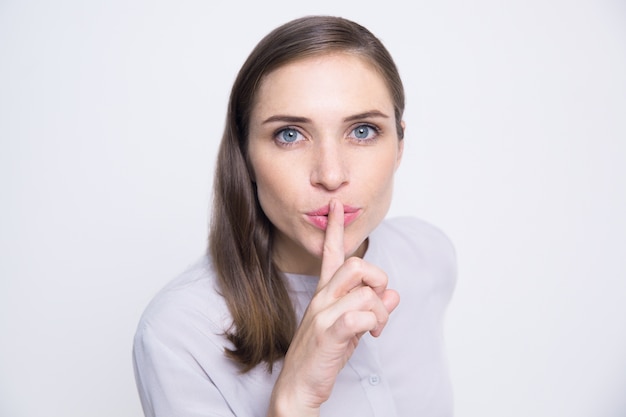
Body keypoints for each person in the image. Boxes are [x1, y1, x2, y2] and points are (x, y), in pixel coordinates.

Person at [132, 15, 456, 417]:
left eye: (362, 131)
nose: (332, 175)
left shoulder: (429, 255)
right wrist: (293, 399)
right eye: (289, 134)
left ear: (400, 145)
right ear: (245, 157)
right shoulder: (179, 334)